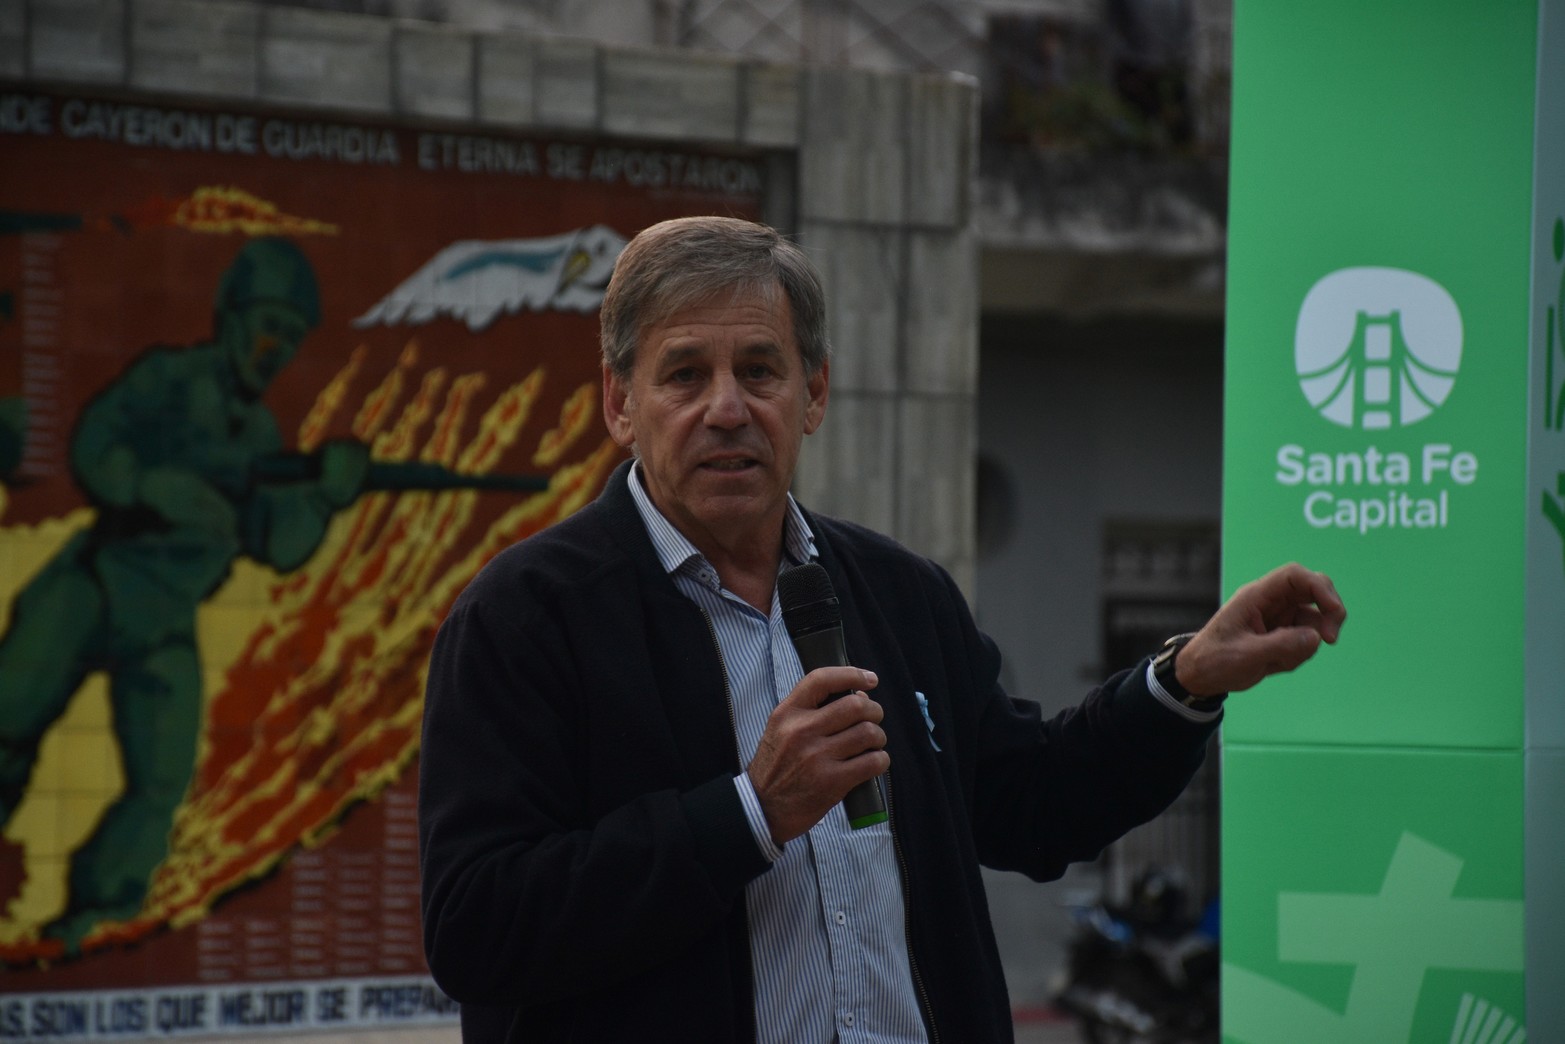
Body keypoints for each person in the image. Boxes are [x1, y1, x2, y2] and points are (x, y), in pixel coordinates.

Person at [418, 216, 1346, 1042]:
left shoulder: (898, 594)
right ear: (621, 404)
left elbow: (1034, 803)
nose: (728, 408)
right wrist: (749, 813)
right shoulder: (525, 618)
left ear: (812, 395)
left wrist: (1186, 681)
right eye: (685, 375)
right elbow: (477, 928)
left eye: (759, 370)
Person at [0, 237, 368, 952]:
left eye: (290, 336)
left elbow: (277, 544)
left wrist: (326, 495)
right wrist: (147, 484)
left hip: (163, 621)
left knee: (160, 781)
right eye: (266, 323)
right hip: (92, 584)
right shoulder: (168, 379)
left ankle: (88, 916)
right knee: (8, 719)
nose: (274, 346)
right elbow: (94, 445)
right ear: (230, 317)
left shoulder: (261, 432)